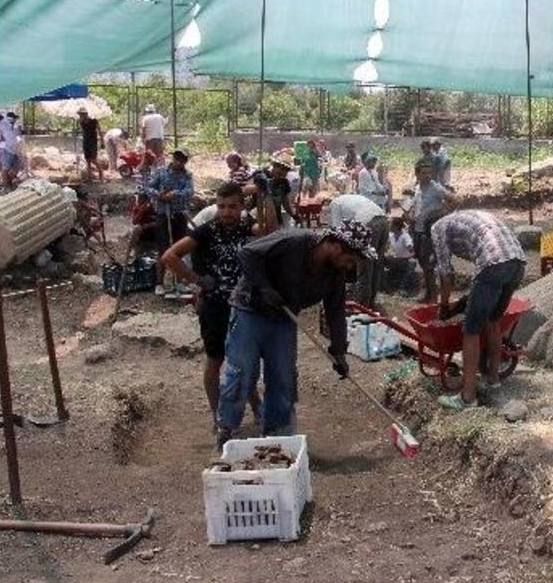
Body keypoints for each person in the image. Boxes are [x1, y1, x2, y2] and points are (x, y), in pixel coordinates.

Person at [216, 221, 376, 448]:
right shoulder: (294, 241)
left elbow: (335, 310)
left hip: (284, 318)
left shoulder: (335, 274)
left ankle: (278, 439)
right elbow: (248, 253)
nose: (350, 266)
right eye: (350, 260)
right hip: (249, 310)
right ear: (337, 247)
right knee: (241, 373)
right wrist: (264, 288)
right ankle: (227, 431)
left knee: (283, 378)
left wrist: (339, 351)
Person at [162, 181, 260, 426]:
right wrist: (197, 280)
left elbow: (271, 234)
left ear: (242, 206)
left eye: (232, 207)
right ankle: (218, 416)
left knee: (245, 361)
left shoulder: (249, 229)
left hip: (244, 308)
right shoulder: (205, 231)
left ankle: (258, 408)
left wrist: (266, 196)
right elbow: (169, 256)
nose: (227, 212)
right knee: (215, 360)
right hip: (214, 306)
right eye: (222, 206)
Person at [431, 210, 526, 410]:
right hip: (517, 262)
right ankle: (493, 382)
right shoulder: (465, 217)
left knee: (471, 330)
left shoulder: (437, 229)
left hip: (493, 262)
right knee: (493, 321)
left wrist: (443, 310)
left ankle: (467, 397)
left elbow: (446, 275)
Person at [145, 148, 194, 297]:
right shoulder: (161, 172)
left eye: (183, 159)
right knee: (162, 249)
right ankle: (159, 283)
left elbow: (189, 191)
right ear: (173, 158)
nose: (179, 161)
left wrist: (174, 195)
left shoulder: (187, 175)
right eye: (177, 158)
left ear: (186, 161)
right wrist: (159, 195)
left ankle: (178, 282)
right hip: (162, 215)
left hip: (179, 215)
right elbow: (148, 188)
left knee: (179, 250)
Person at [407, 160, 455, 302]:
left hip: (429, 232)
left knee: (429, 265)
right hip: (417, 230)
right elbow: (417, 205)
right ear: (417, 174)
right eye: (424, 173)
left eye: (429, 172)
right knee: (422, 263)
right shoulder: (418, 187)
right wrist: (411, 214)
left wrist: (440, 213)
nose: (427, 175)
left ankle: (433, 297)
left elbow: (455, 201)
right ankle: (429, 294)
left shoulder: (436, 187)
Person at [329, 193, 389, 308]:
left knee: (365, 268)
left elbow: (338, 231)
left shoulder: (335, 204)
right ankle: (371, 302)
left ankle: (363, 307)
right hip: (383, 220)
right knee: (376, 264)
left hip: (368, 223)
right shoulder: (350, 198)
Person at [386, 216, 416, 294]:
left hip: (405, 260)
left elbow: (411, 250)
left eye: (390, 224)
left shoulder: (405, 236)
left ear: (395, 226)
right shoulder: (391, 235)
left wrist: (409, 249)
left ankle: (403, 289)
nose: (389, 225)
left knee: (411, 263)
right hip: (395, 259)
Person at [0, 111, 22, 189]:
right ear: (11, 119)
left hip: (12, 151)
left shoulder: (13, 127)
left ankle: (9, 182)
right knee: (5, 169)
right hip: (6, 150)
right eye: (14, 119)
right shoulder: (4, 125)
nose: (15, 121)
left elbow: (18, 133)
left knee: (16, 167)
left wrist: (21, 131)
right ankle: (6, 187)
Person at [78, 107, 104, 182]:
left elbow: (99, 131)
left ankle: (101, 173)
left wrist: (102, 141)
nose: (80, 116)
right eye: (80, 114)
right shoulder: (81, 122)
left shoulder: (94, 121)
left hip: (93, 142)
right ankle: (89, 177)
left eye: (82, 114)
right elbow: (83, 132)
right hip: (86, 142)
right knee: (88, 160)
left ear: (85, 114)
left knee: (93, 159)